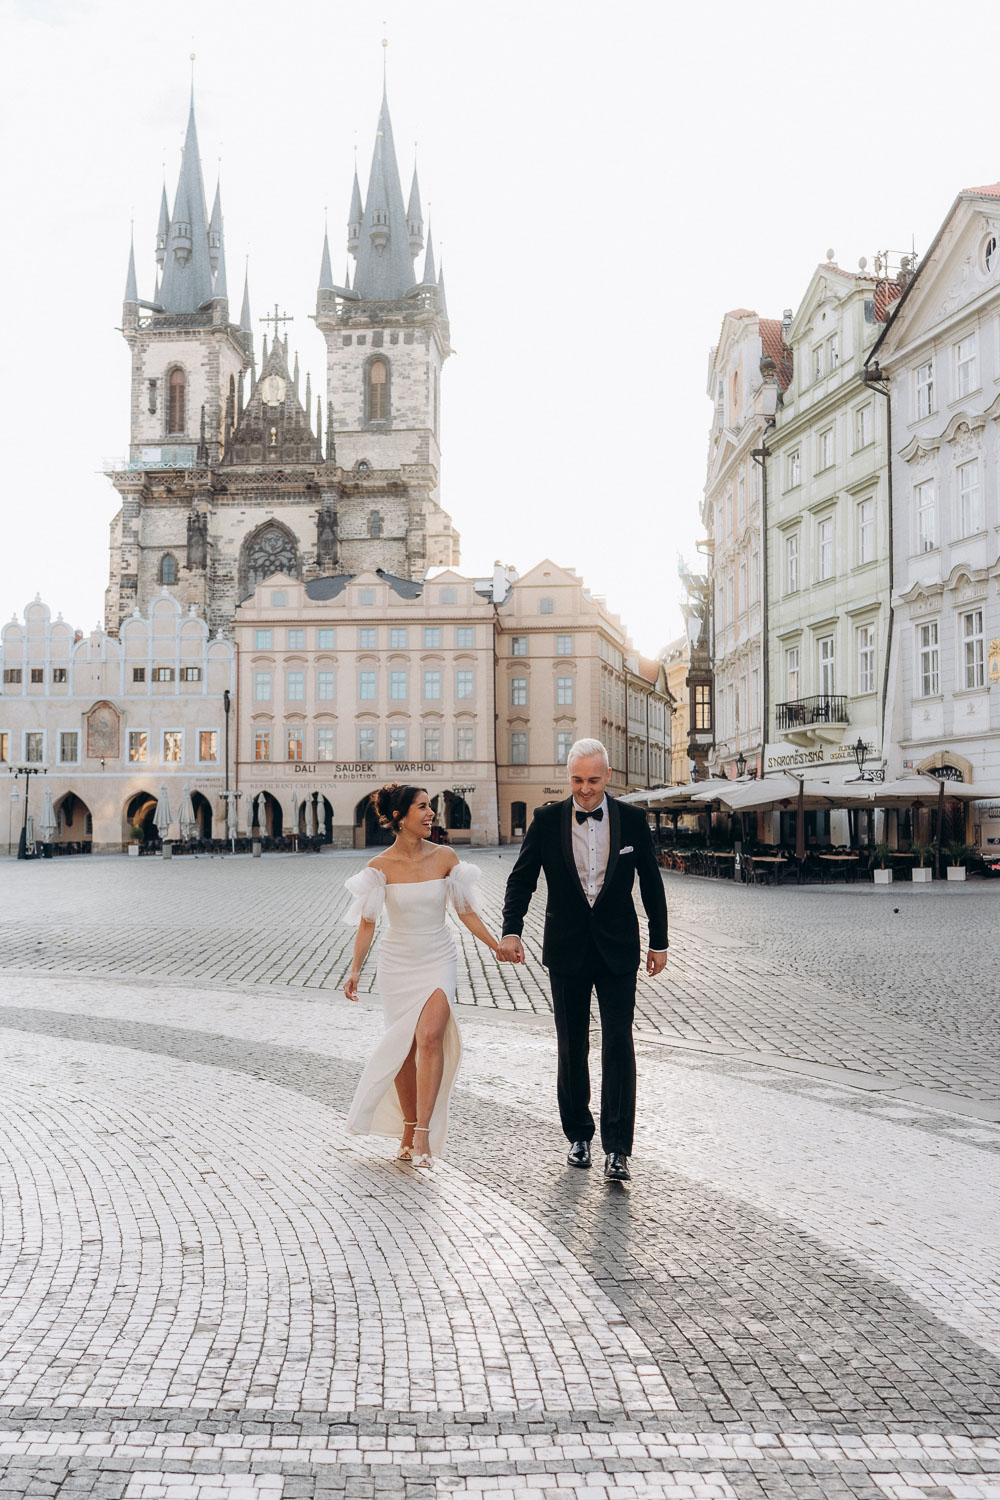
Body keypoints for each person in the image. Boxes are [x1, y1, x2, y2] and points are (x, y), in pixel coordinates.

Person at [498, 738, 668, 1183]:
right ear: (567, 776)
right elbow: (522, 880)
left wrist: (660, 941)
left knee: (618, 1043)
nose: (585, 789)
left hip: (618, 949)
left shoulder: (632, 820)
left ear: (607, 776)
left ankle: (617, 1149)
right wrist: (511, 929)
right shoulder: (547, 819)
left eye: (593, 780)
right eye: (577, 780)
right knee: (572, 1045)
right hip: (567, 948)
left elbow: (651, 883)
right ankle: (578, 1135)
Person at [343, 783, 506, 1168]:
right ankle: (408, 1124)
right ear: (399, 817)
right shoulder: (378, 868)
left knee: (431, 1036)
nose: (431, 813)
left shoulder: (446, 857)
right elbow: (367, 924)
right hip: (397, 962)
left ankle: (423, 1135)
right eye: (422, 807)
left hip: (438, 957)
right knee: (405, 1050)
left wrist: (494, 944)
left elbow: (465, 911)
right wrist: (354, 971)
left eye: (430, 806)